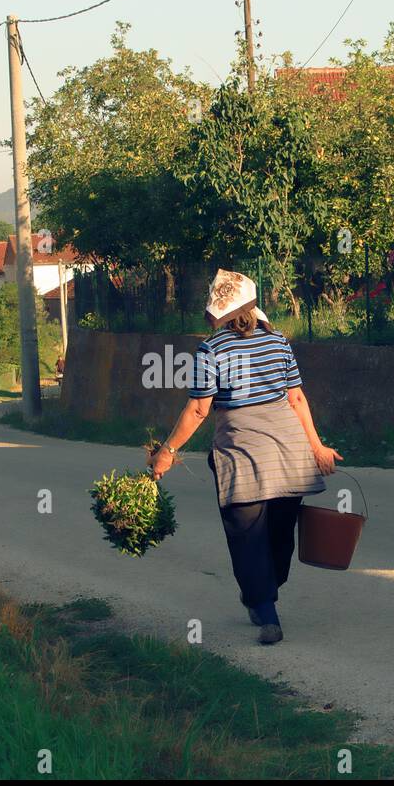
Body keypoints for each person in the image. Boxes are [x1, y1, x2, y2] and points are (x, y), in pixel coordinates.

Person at [148, 269, 342, 645]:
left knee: (248, 536)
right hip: (288, 451)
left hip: (242, 454)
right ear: (254, 307)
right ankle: (264, 593)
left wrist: (167, 452)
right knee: (280, 535)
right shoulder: (279, 341)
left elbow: (199, 410)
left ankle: (265, 609)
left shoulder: (211, 349)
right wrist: (316, 447)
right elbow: (296, 398)